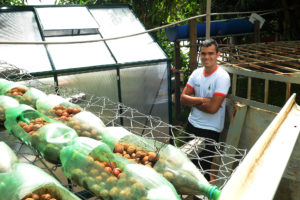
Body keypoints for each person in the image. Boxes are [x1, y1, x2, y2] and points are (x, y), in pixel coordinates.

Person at [180, 39, 230, 181]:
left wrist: (193, 100)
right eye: (203, 53)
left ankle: (202, 195)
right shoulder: (196, 73)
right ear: (200, 55)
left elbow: (213, 108)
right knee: (189, 165)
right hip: (192, 124)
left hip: (210, 129)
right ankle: (190, 193)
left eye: (211, 53)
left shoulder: (222, 77)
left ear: (217, 55)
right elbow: (183, 98)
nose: (207, 57)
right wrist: (202, 100)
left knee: (203, 168)